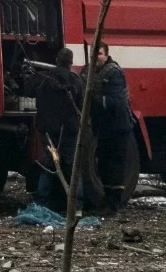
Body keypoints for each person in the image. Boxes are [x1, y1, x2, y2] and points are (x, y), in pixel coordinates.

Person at [27, 47, 98, 209]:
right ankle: (77, 205)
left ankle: (41, 202)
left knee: (48, 167)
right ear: (71, 62)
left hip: (50, 134)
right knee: (73, 169)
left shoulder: (45, 80)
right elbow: (82, 105)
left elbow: (35, 98)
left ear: (57, 60)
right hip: (70, 132)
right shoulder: (77, 81)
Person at [90, 42, 138, 215]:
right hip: (104, 128)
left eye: (100, 54)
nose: (96, 57)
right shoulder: (92, 72)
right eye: (93, 53)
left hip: (118, 127)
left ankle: (114, 204)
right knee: (103, 166)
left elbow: (114, 102)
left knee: (115, 166)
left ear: (106, 54)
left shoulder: (114, 73)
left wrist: (93, 99)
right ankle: (107, 200)